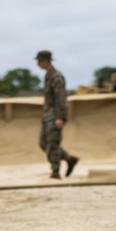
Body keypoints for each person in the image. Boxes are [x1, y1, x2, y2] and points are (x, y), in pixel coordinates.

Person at [35, 50, 79, 179]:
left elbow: (61, 98)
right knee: (43, 143)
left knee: (52, 144)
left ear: (45, 61)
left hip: (55, 115)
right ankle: (69, 159)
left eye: (39, 61)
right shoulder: (48, 75)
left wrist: (59, 117)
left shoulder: (56, 77)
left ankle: (55, 171)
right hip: (48, 115)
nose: (38, 64)